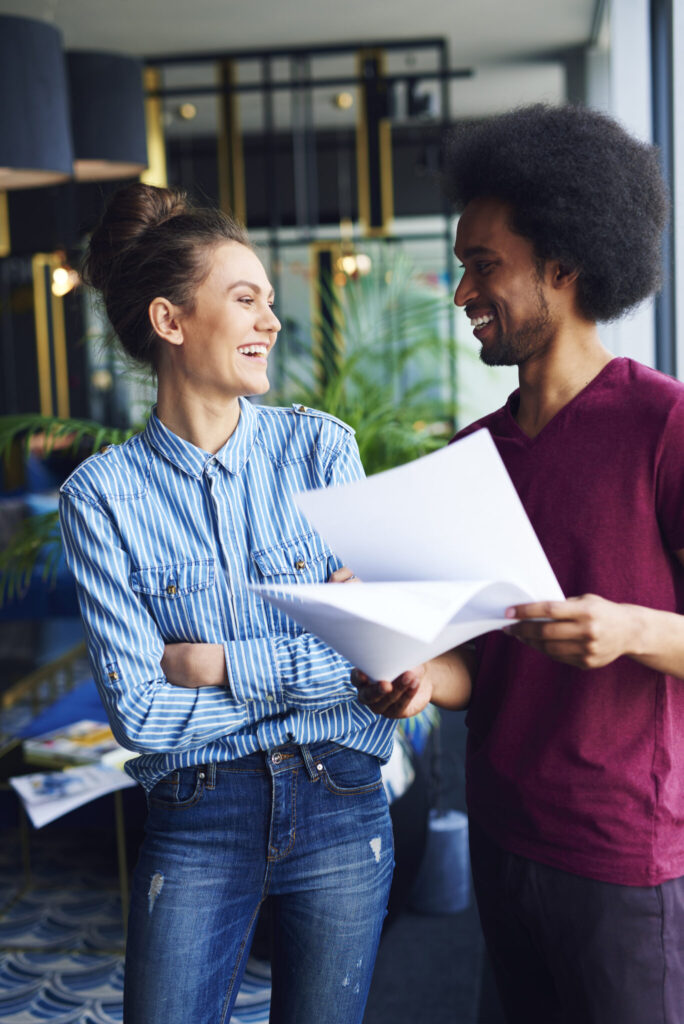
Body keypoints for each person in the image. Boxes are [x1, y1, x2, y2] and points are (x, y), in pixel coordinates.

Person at [353, 103, 684, 1024]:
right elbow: (476, 660)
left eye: (481, 265)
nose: (460, 293)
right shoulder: (474, 451)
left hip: (622, 858)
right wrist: (418, 677)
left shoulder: (665, 426)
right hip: (505, 840)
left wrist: (630, 630)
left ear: (564, 268)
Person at [59, 182, 395, 1024]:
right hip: (197, 814)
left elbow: (377, 652)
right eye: (245, 300)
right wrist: (317, 667)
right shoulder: (98, 497)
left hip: (341, 800)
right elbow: (139, 710)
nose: (271, 322)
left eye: (269, 302)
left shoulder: (322, 448)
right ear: (171, 323)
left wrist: (212, 665)